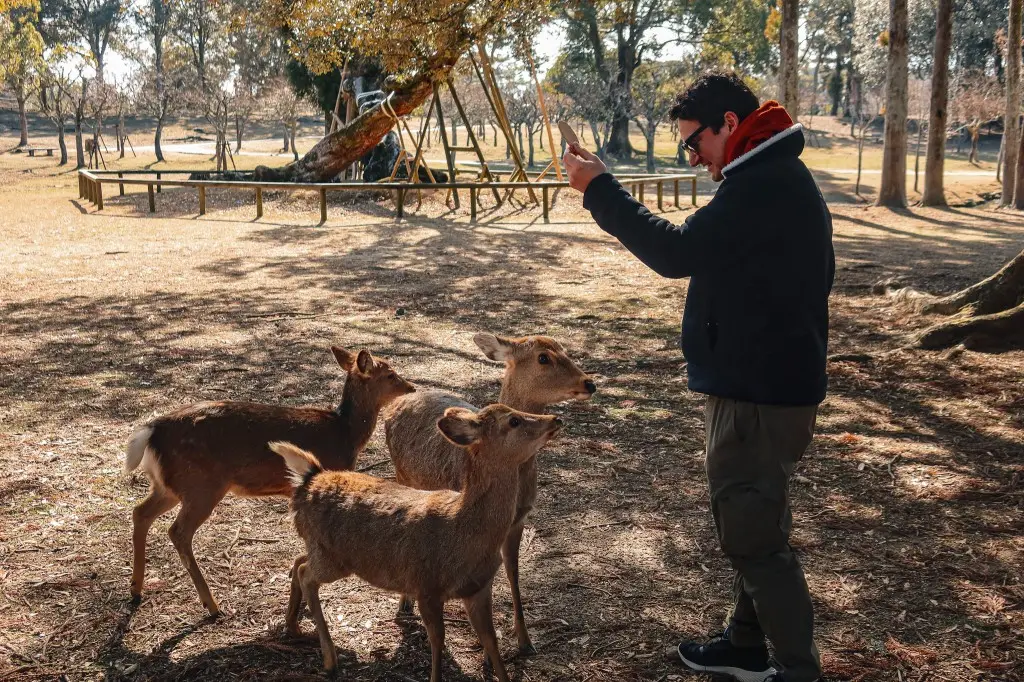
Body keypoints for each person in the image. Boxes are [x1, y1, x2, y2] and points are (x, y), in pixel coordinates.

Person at [562, 72, 834, 682]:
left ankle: (797, 672)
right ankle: (743, 644)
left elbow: (676, 253)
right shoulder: (770, 175)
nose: (693, 155)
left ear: (731, 125)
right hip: (765, 385)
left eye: (695, 142)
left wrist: (601, 191)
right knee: (757, 522)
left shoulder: (762, 184)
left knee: (754, 538)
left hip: (757, 394)